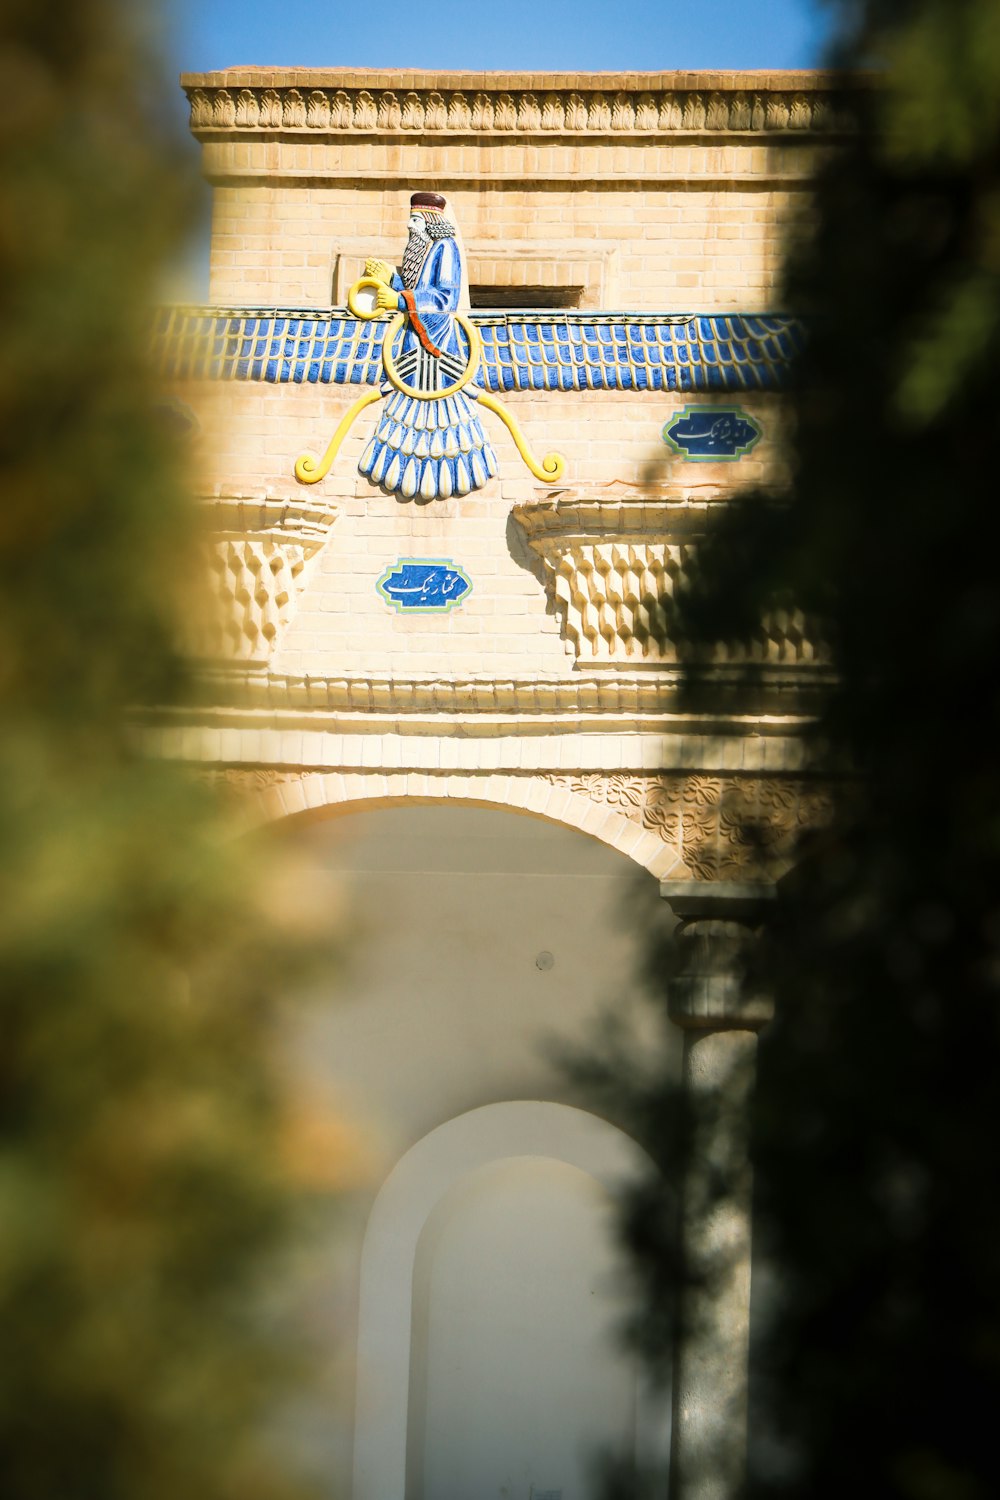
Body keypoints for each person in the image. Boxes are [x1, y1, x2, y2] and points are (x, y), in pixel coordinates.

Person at [358, 192, 497, 500]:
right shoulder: (426, 249)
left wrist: (399, 300)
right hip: (412, 356)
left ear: (431, 222)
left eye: (416, 219)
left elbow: (443, 300)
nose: (410, 225)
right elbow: (417, 291)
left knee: (442, 422)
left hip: (437, 351)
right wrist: (392, 279)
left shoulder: (445, 248)